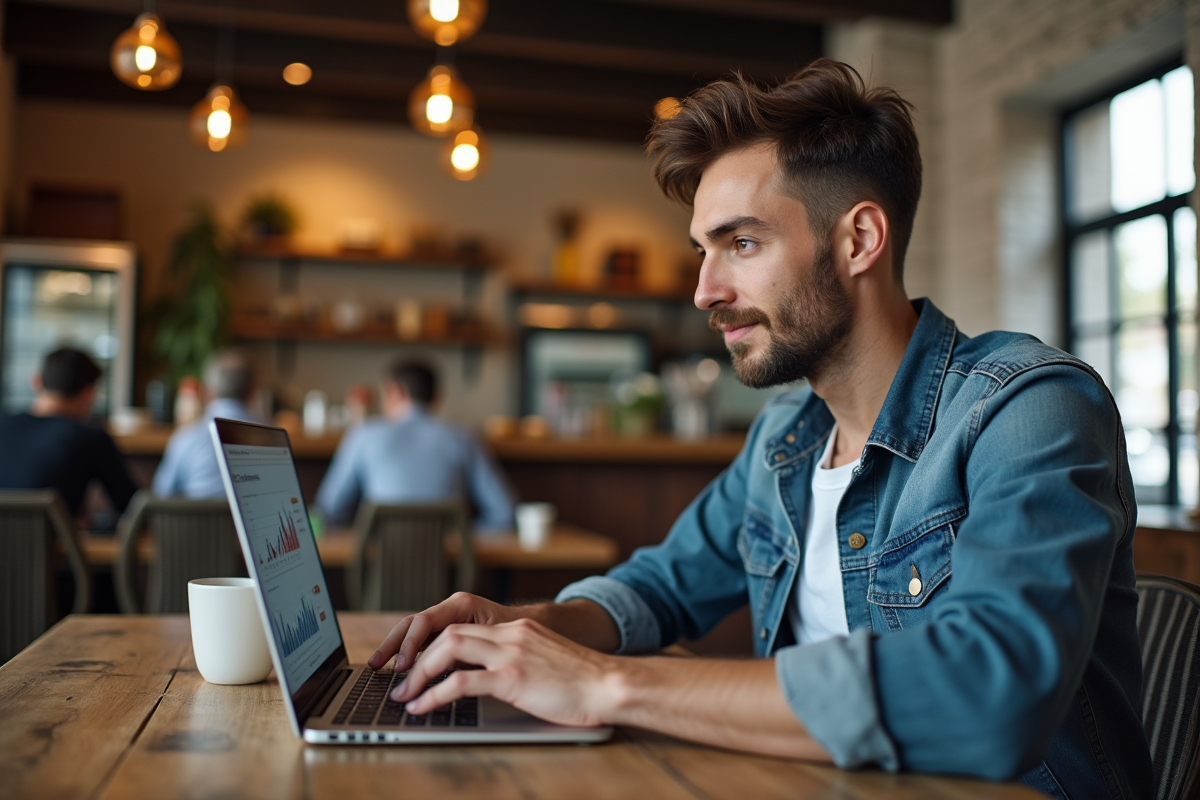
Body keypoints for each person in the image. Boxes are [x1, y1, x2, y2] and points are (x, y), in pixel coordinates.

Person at [366, 60, 1153, 799]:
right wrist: (533, 629)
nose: (705, 290)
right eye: (703, 251)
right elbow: (661, 586)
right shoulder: (787, 438)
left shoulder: (1028, 408)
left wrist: (602, 684)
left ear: (859, 240)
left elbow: (989, 693)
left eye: (741, 244)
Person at [315, 359, 515, 532]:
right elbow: (504, 512)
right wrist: (464, 540)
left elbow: (327, 511)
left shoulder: (363, 435)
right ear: (437, 396)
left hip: (377, 561)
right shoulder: (464, 438)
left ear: (395, 392)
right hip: (449, 563)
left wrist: (357, 540)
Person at [0, 347, 137, 522]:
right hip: (54, 540)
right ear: (88, 394)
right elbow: (134, 509)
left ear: (36, 382)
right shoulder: (91, 438)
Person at [153, 349, 268, 498]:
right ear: (252, 392)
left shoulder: (186, 437)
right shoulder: (271, 437)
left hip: (194, 513)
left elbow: (161, 494)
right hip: (254, 513)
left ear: (207, 391)